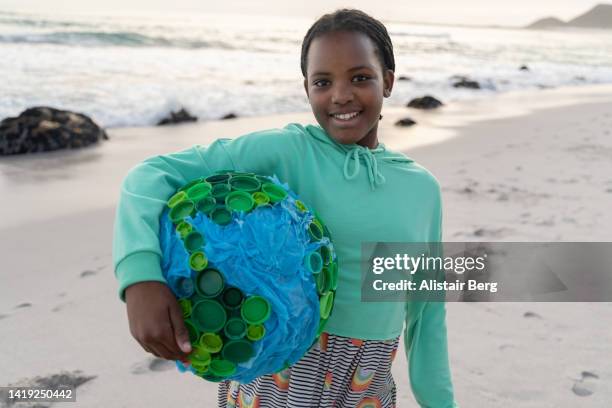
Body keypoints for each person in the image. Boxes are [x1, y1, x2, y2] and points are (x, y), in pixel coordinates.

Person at [113, 8, 458, 408]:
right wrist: (140, 279)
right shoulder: (287, 152)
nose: (341, 95)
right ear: (307, 89)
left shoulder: (421, 189)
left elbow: (426, 313)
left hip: (367, 383)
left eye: (360, 77)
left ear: (389, 82)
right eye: (322, 82)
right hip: (278, 376)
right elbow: (149, 175)